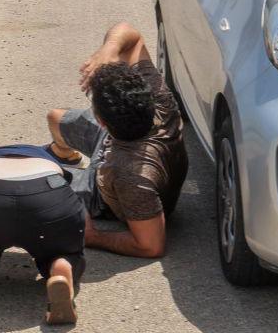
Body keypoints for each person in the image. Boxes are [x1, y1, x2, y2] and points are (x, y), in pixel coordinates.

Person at [46, 22, 187, 259]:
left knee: (41, 182)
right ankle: (66, 155)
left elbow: (151, 245)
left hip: (104, 193)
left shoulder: (131, 177)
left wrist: (92, 237)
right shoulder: (161, 101)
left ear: (101, 121)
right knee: (55, 118)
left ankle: (65, 170)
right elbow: (132, 37)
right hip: (119, 142)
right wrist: (108, 51)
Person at [0, 145, 86, 333]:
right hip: (47, 199)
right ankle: (61, 267)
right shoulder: (47, 158)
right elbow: (69, 188)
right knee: (65, 253)